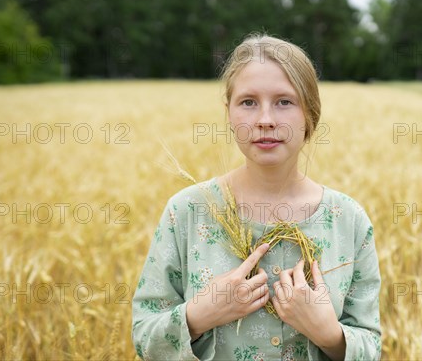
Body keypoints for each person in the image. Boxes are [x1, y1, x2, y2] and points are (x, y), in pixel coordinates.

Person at [131, 34, 382, 360]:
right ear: (229, 113)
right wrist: (198, 316)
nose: (265, 120)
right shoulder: (187, 211)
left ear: (310, 113)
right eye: (248, 102)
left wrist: (328, 334)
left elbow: (371, 346)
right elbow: (143, 337)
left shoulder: (349, 220)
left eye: (284, 101)